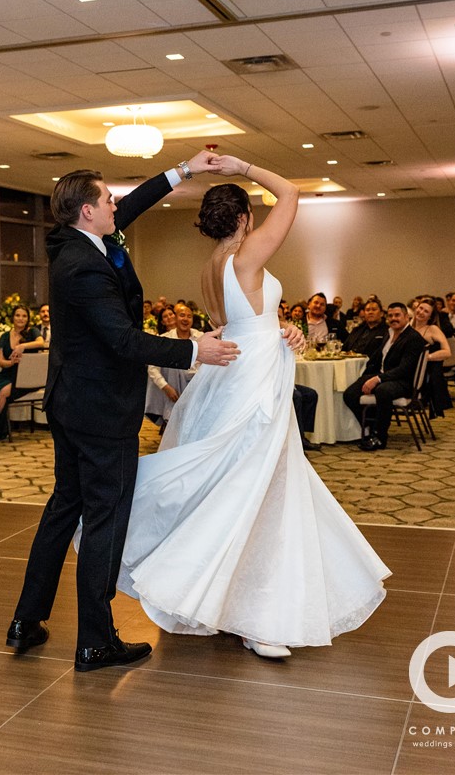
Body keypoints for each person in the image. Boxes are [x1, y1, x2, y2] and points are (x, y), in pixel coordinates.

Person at [118, 155, 390, 660]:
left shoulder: (211, 267)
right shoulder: (245, 256)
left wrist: (284, 328)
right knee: (251, 489)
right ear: (244, 219)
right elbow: (290, 194)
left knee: (246, 487)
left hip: (233, 374)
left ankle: (233, 601)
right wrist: (243, 165)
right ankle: (254, 616)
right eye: (251, 215)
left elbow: (244, 320)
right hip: (251, 383)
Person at [6, 153, 240, 672]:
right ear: (88, 211)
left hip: (73, 404)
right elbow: (121, 339)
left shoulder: (79, 240)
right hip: (99, 411)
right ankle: (95, 640)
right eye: (108, 198)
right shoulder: (82, 265)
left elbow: (131, 204)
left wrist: (184, 169)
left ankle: (27, 617)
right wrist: (195, 351)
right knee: (106, 519)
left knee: (64, 508)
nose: (117, 203)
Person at [343, 304, 426, 452]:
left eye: (397, 315)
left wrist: (377, 379)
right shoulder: (389, 333)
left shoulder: (413, 338)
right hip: (384, 376)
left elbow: (404, 369)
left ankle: (380, 436)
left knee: (383, 391)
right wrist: (365, 377)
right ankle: (370, 426)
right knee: (350, 394)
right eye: (390, 316)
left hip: (403, 381)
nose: (393, 319)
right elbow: (376, 359)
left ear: (407, 317)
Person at [0, 305, 45, 443]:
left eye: (24, 316)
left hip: (27, 377)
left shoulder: (32, 332)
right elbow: (1, 361)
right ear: (13, 317)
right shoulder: (5, 336)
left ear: (28, 319)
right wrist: (11, 363)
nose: (21, 319)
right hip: (7, 374)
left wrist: (22, 346)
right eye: (18, 315)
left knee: (1, 393)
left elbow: (41, 343)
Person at [146, 303, 203, 432]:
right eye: (182, 315)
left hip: (195, 389)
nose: (185, 319)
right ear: (175, 318)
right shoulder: (165, 339)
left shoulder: (200, 337)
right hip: (173, 391)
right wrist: (166, 387)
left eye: (189, 316)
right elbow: (153, 368)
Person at [411, 296, 452, 417]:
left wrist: (426, 357)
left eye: (426, 311)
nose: (421, 312)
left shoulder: (432, 329)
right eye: (421, 308)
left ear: (430, 316)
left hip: (420, 373)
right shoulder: (408, 326)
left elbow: (447, 352)